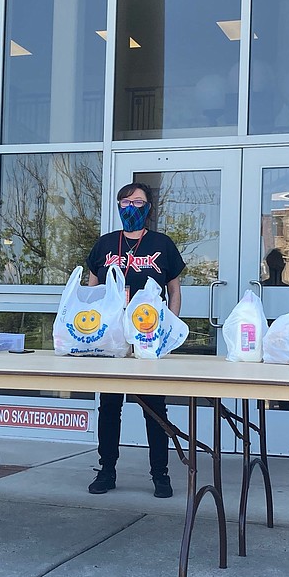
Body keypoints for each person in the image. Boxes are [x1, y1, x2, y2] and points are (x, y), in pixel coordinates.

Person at [85, 182, 185, 498]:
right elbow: (92, 292)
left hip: (148, 342)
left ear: (148, 207)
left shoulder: (162, 244)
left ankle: (161, 475)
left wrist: (168, 328)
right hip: (112, 343)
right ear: (118, 206)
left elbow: (174, 291)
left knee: (154, 409)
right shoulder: (104, 245)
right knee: (109, 407)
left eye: (138, 201)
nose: (132, 207)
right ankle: (107, 471)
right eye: (125, 201)